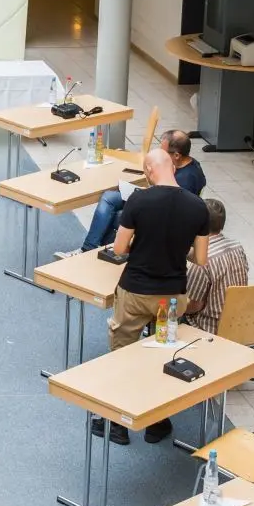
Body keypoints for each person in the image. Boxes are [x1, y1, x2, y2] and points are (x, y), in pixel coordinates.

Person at [98, 148, 209, 446]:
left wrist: (142, 245)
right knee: (163, 355)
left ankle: (118, 425)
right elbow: (199, 258)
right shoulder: (199, 207)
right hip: (172, 297)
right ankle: (157, 422)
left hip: (136, 291)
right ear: (173, 165)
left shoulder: (139, 199)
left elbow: (119, 249)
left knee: (122, 354)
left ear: (148, 171)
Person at [73, 129, 206, 253]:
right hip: (151, 196)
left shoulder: (187, 179)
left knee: (120, 216)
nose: (160, 154)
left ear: (176, 155)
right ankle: (90, 248)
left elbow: (170, 208)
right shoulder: (187, 163)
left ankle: (101, 251)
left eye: (163, 152)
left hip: (157, 212)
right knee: (109, 197)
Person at [184, 198, 250, 334]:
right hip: (240, 323)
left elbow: (195, 306)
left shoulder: (201, 262)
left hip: (210, 329)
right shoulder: (238, 247)